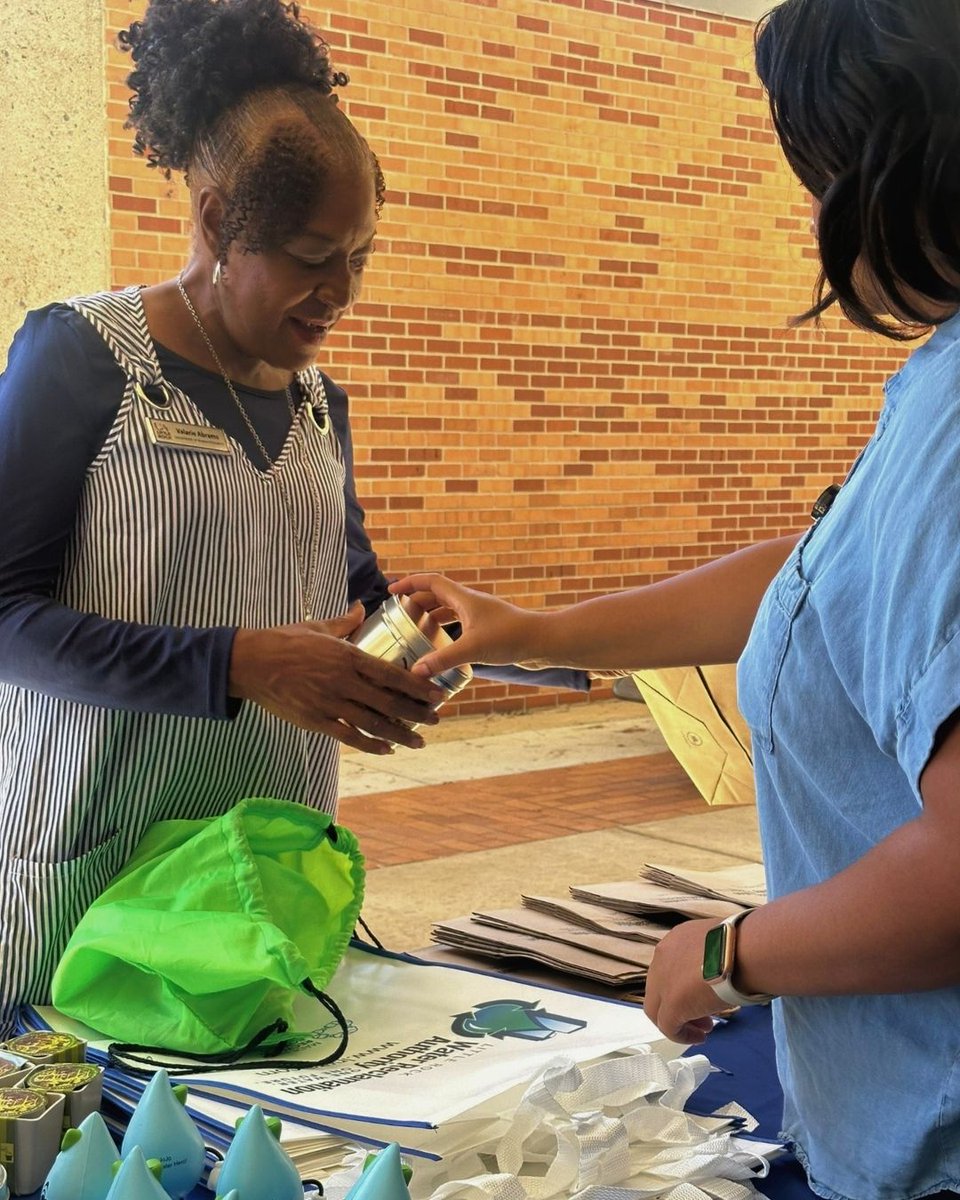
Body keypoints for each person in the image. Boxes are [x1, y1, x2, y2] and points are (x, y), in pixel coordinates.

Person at [388, 2, 960, 1197]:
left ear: (900, 162)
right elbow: (819, 579)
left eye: (820, 176)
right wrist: (535, 630)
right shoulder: (933, 385)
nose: (812, 216)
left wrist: (728, 953)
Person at [0, 0, 456, 1038]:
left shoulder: (314, 406)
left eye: (361, 255)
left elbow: (348, 593)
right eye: (310, 255)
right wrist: (238, 665)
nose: (341, 290)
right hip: (89, 879)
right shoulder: (81, 361)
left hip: (257, 885)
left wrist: (413, 636)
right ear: (213, 221)